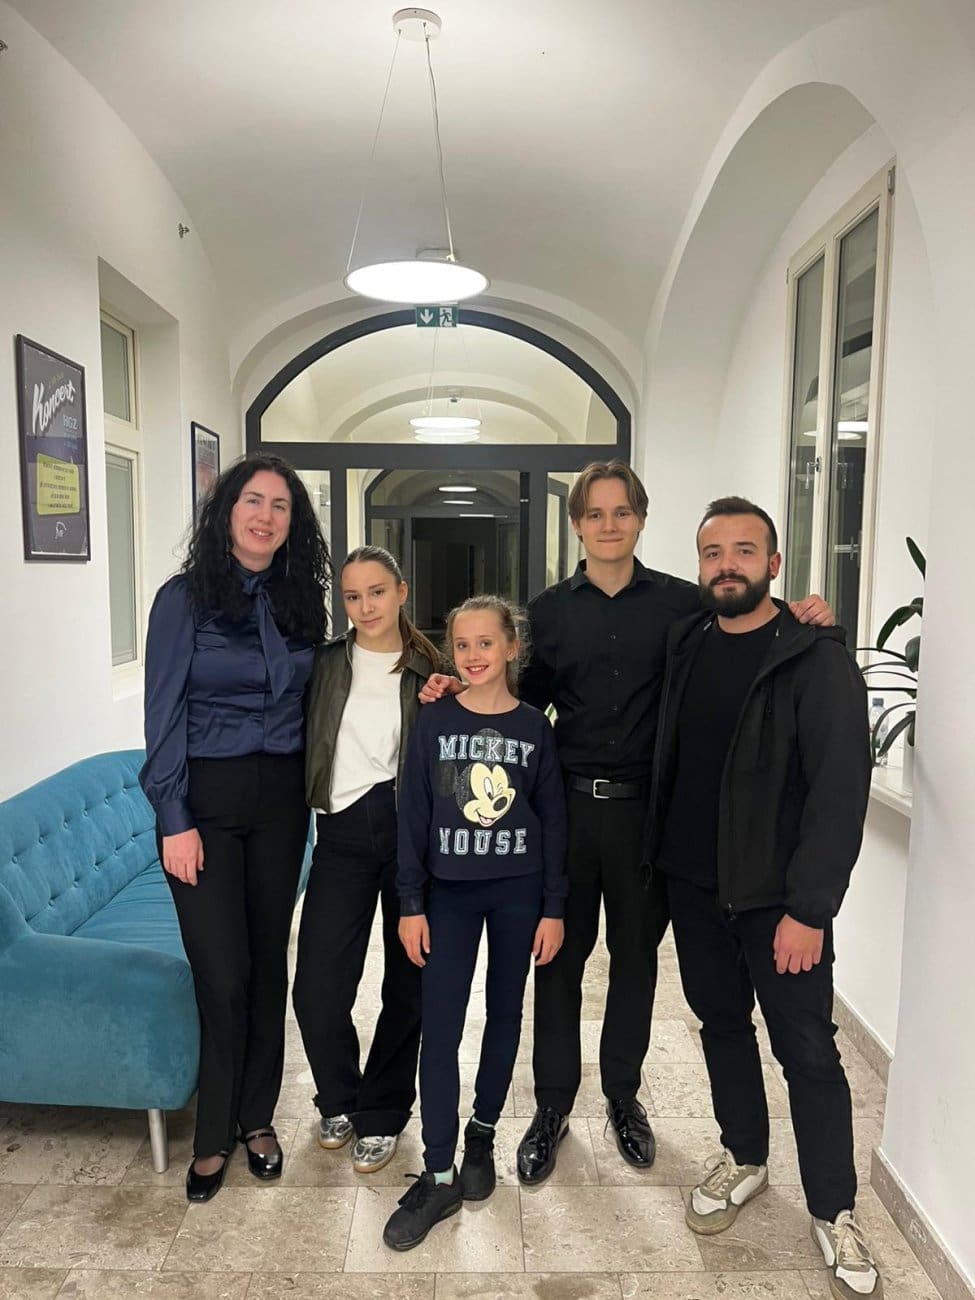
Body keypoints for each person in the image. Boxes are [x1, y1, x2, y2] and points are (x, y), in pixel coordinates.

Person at [421, 460, 833, 1185]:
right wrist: (454, 687)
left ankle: (622, 1094)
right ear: (576, 524)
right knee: (557, 961)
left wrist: (808, 616)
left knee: (636, 963)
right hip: (566, 810)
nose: (608, 525)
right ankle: (552, 1105)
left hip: (649, 818)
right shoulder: (547, 612)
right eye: (595, 513)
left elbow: (750, 628)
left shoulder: (685, 605)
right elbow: (514, 702)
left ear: (640, 518)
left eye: (621, 512)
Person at [646, 496, 880, 1300]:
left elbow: (838, 793)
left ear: (774, 564)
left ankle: (834, 1209)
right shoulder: (687, 642)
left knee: (806, 1051)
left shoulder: (815, 659)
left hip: (777, 903)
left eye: (744, 551)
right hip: (692, 884)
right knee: (719, 1026)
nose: (726, 566)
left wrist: (810, 910)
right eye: (712, 553)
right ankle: (744, 1155)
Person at [140, 453, 330, 1202]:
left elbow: (330, 689)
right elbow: (162, 716)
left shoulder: (300, 599)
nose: (265, 517)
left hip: (282, 803)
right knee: (221, 974)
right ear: (225, 511)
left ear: (293, 523)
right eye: (253, 501)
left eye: (281, 506)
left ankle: (258, 1119)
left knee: (265, 963)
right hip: (206, 807)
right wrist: (173, 819)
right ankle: (212, 1132)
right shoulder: (183, 599)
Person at [383, 596, 568, 1250]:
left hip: (519, 893)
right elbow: (412, 814)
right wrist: (410, 904)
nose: (473, 655)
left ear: (512, 648)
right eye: (461, 645)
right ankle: (438, 1170)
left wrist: (553, 907)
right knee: (440, 1026)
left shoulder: (534, 728)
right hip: (447, 896)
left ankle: (481, 1134)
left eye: (486, 643)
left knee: (505, 1014)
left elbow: (553, 822)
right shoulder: (433, 720)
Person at [293, 546, 440, 1174]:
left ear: (401, 592)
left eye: (377, 592)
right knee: (317, 987)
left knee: (409, 983)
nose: (365, 606)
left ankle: (383, 1112)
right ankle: (339, 1098)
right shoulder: (326, 663)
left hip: (412, 834)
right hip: (342, 833)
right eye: (352, 596)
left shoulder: (431, 667)